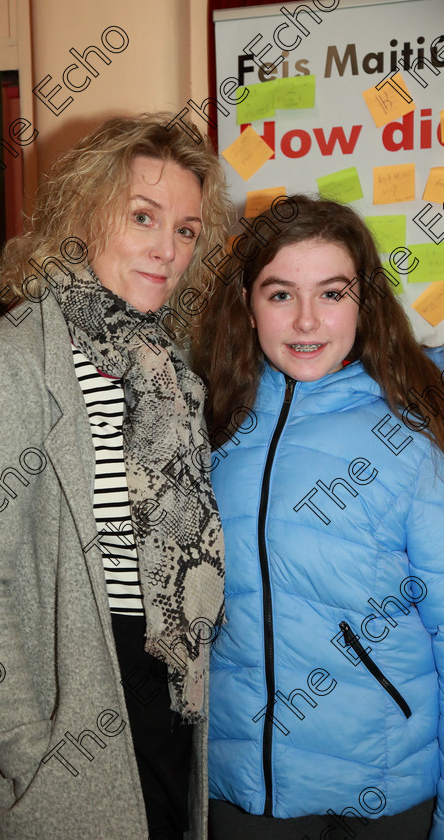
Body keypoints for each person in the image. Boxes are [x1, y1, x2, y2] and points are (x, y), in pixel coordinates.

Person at [0, 113, 231, 840]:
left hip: (165, 695)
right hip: (71, 704)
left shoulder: (165, 367)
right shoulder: (7, 366)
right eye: (143, 217)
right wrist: (26, 752)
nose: (167, 249)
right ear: (83, 211)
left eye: (186, 230)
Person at [191, 194, 444, 840]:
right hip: (244, 790)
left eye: (332, 293)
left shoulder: (411, 434)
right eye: (280, 295)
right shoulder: (205, 429)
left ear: (365, 304)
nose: (306, 321)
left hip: (383, 791)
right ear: (247, 305)